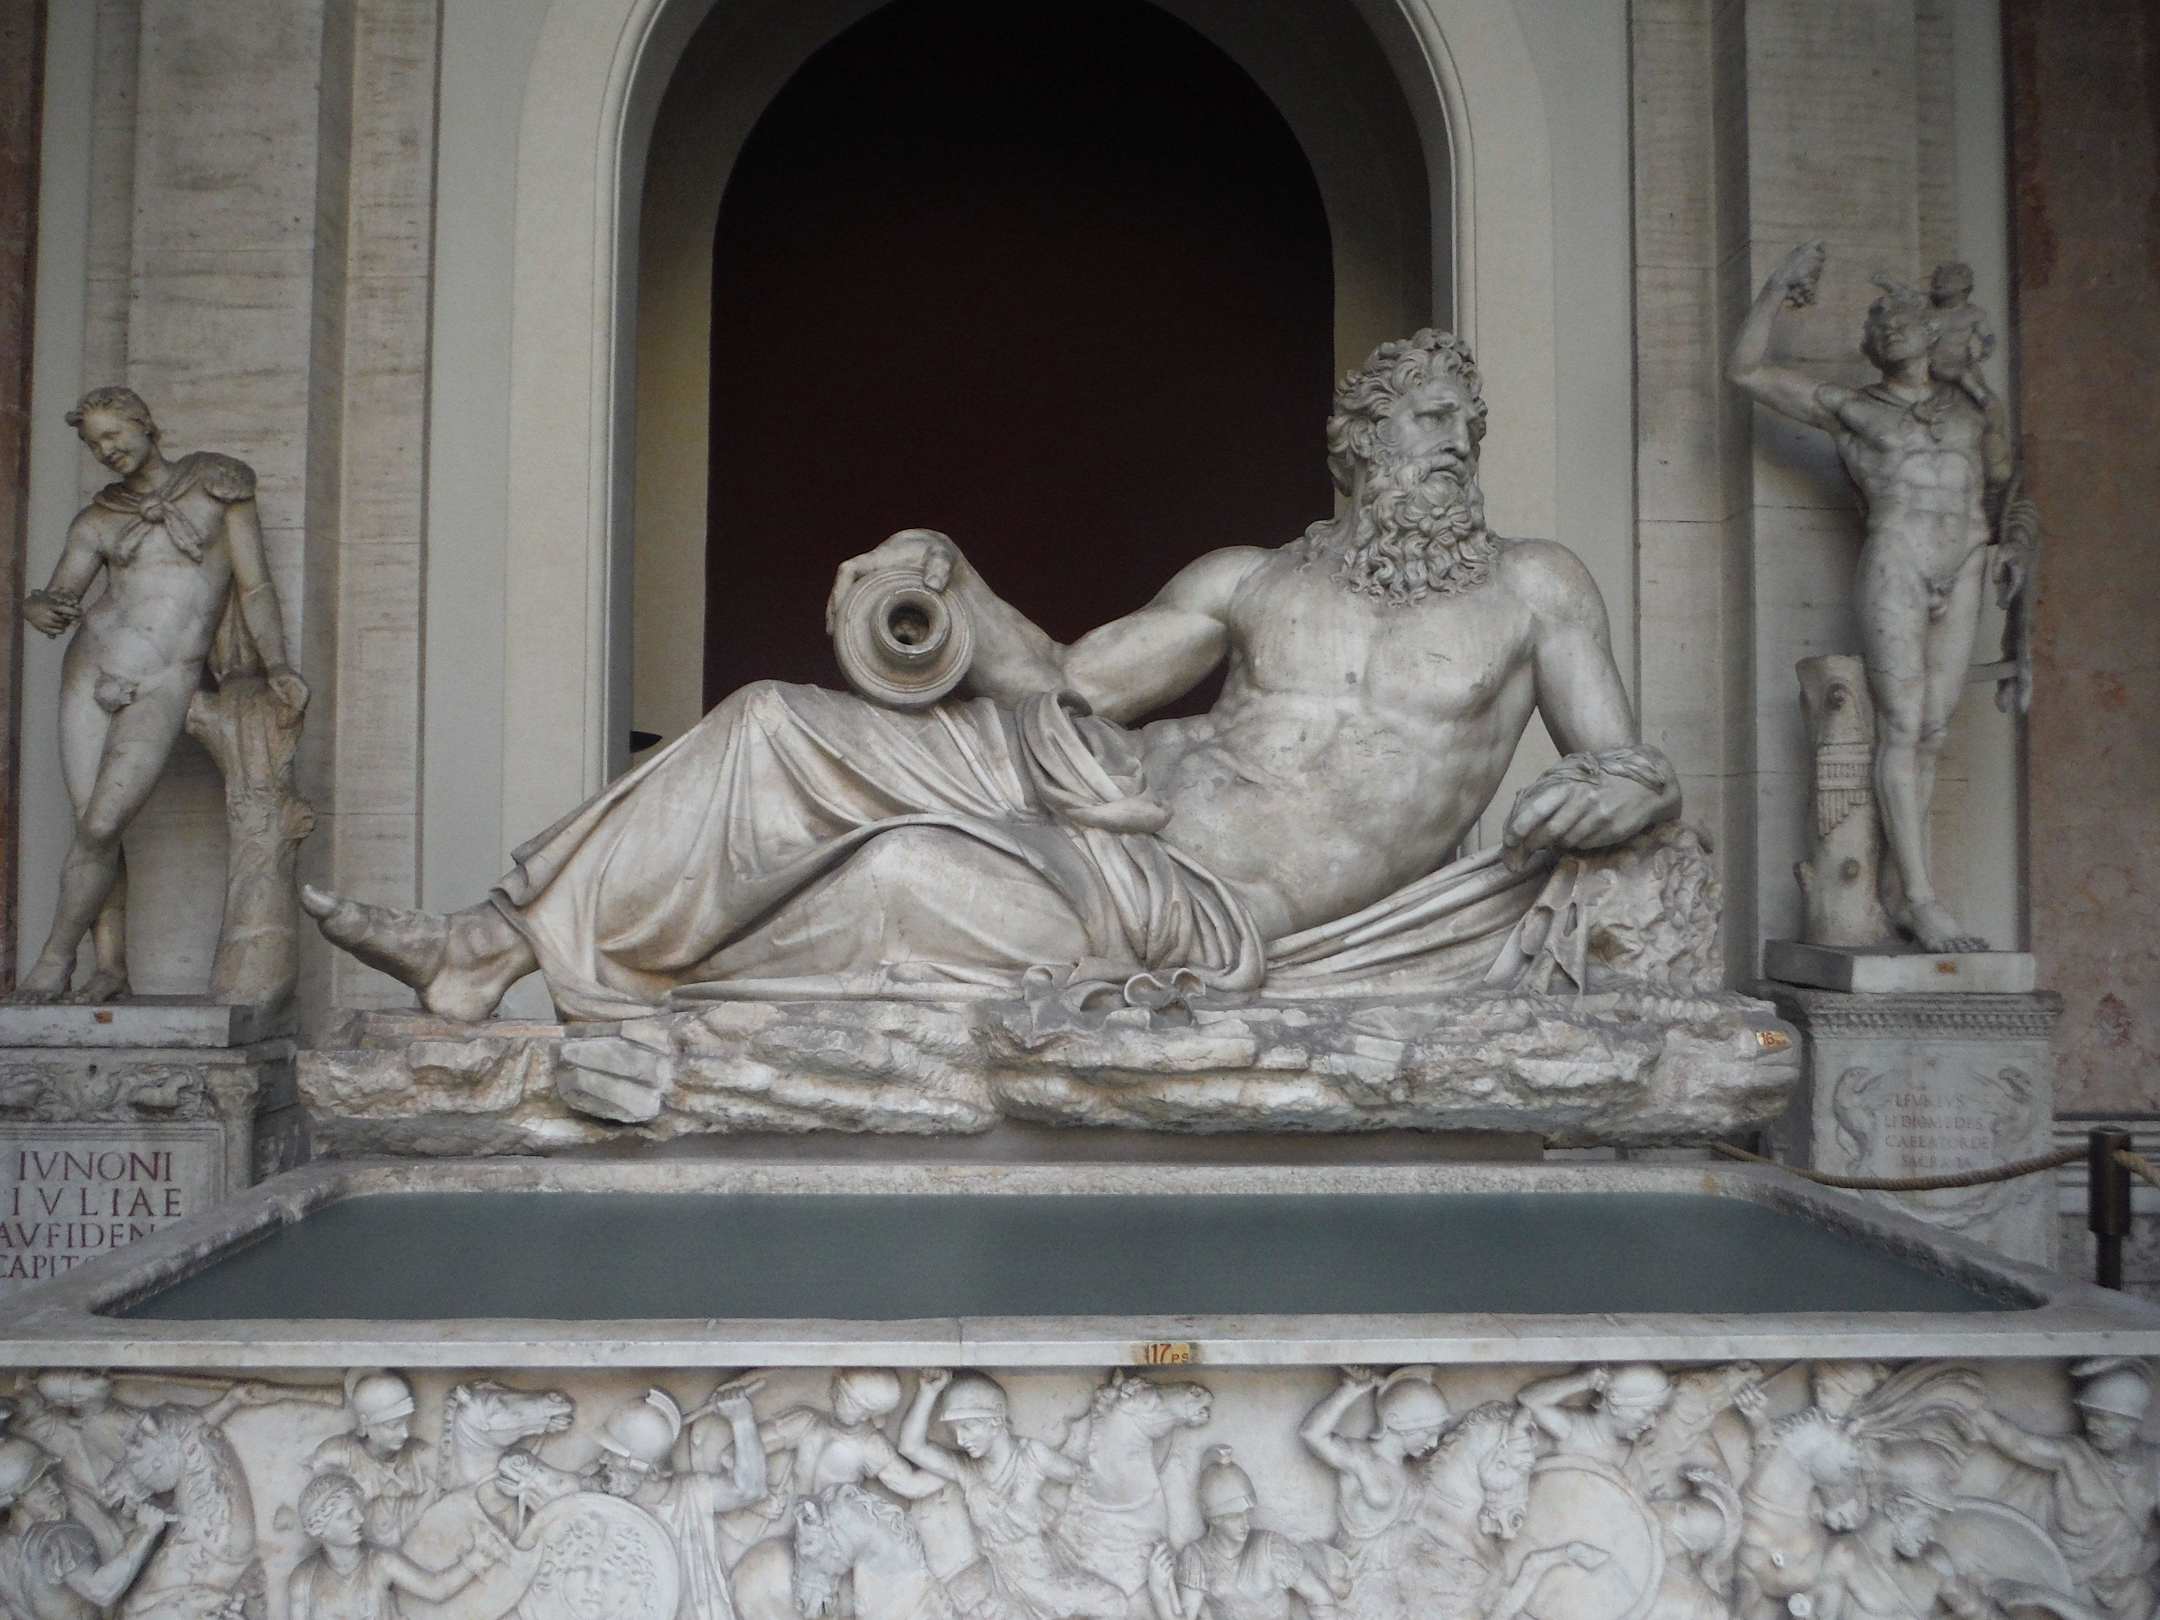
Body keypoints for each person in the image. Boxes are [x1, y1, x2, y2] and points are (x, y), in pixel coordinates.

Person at [304, 329, 1680, 1021]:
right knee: (771, 722)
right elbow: (1072, 684)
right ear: (1357, 446)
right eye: (1429, 421)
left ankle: (624, 987)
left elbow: (1629, 765)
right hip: (1104, 784)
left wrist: (1619, 794)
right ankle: (489, 946)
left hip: (1196, 900)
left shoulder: (1534, 586)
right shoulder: (1253, 577)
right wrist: (951, 580)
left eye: (1468, 425)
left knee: (897, 876)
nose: (1457, 445)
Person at [1729, 242, 2026, 952]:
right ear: (1870, 345)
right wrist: (1776, 290)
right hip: (1897, 560)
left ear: (1930, 333)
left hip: (1966, 564)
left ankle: (1898, 890)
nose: (1892, 328)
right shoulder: (1855, 409)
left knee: (1933, 733)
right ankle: (1922, 899)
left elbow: (2007, 490)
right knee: (1902, 724)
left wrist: (2014, 544)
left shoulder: (1972, 411)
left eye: (1904, 319)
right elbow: (1745, 371)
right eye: (1879, 323)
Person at [14, 387, 307, 1003]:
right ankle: (110, 966)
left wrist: (277, 663)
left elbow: (255, 587)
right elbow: (61, 594)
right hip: (91, 670)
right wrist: (40, 608)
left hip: (164, 678)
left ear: (145, 424)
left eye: (113, 435)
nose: (106, 450)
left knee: (103, 823)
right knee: (91, 825)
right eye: (94, 443)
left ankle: (54, 959)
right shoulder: (98, 517)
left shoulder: (218, 485)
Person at [898, 1369, 1123, 1620]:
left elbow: (1087, 1482)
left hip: (1041, 1577)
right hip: (996, 1576)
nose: (960, 1439)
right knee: (944, 1599)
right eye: (954, 1431)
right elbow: (910, 1447)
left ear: (996, 1419)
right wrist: (928, 1392)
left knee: (1109, 1604)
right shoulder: (967, 1469)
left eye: (967, 1427)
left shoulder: (1033, 1456)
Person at [1972, 1357, 2160, 1620]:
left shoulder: (2154, 1463)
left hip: (2129, 1588)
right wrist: (1976, 1410)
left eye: (2105, 1419)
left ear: (2131, 1421)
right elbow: (2019, 1444)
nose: (2093, 1426)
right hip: (2072, 1584)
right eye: (2089, 1416)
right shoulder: (2072, 1453)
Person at [589, 1387, 767, 1620]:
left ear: (643, 1467)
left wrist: (741, 1420)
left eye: (613, 1454)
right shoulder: (601, 1501)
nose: (602, 1459)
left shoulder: (692, 1494)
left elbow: (749, 1489)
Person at [1146, 1447, 1344, 1620]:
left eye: (1246, 1513)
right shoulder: (1196, 1557)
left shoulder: (1272, 1547)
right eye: (1234, 1516)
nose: (1245, 1523)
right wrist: (1159, 1592)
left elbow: (1320, 1597)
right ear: (1215, 1518)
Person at [285, 1472, 504, 1620]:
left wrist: (476, 1559)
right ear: (320, 1529)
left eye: (358, 1510)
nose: (360, 1519)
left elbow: (436, 1589)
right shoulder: (303, 1579)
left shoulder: (380, 1562)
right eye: (347, 1515)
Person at [0, 1437, 169, 1620]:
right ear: (15, 1499)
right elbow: (101, 1590)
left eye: (51, 1477)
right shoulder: (56, 1537)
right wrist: (146, 1531)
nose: (55, 1488)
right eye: (41, 1484)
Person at [306, 1372, 436, 1548]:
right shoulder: (336, 1457)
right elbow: (321, 1522)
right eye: (393, 1426)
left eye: (407, 1421)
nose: (405, 1433)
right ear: (364, 1423)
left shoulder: (422, 1456)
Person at [1516, 1363, 1673, 1470]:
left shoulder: (1634, 1451)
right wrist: (1584, 1381)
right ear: (1615, 1402)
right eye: (1646, 1412)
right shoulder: (1574, 1428)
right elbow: (1529, 1399)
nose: (1652, 1422)